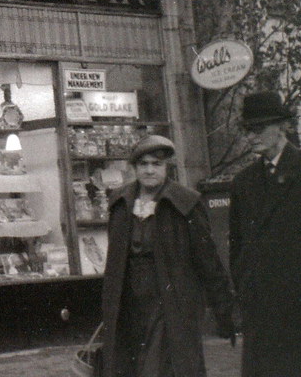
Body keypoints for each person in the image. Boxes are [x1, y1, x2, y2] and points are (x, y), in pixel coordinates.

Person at [229, 91, 301, 377]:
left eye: (258, 128)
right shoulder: (244, 182)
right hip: (264, 309)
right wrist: (245, 290)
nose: (251, 137)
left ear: (281, 126)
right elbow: (238, 245)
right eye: (247, 130)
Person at [101, 135, 235, 377]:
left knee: (160, 369)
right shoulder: (121, 203)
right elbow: (114, 263)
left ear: (167, 167)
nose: (149, 170)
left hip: (170, 305)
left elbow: (208, 261)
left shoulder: (184, 203)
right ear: (134, 168)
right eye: (143, 164)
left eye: (157, 164)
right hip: (131, 305)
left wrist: (224, 309)